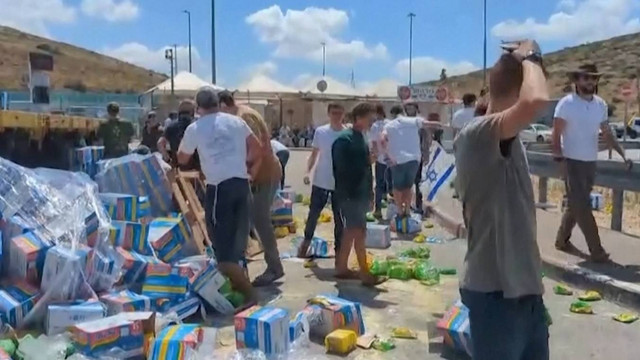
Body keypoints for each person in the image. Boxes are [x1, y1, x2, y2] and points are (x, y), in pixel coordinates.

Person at [454, 40, 549, 359]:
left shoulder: (503, 135)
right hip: (496, 296)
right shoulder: (477, 135)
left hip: (526, 295)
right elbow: (536, 100)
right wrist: (531, 57)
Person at [177, 86, 261, 305]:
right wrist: (248, 168)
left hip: (219, 188)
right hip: (242, 185)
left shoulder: (195, 128)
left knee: (221, 250)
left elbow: (183, 158)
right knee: (237, 242)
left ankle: (248, 294)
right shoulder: (236, 122)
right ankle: (238, 287)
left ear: (198, 107)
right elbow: (257, 147)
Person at [552, 63, 631, 262]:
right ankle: (597, 251)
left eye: (593, 78)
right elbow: (556, 135)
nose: (590, 81)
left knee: (576, 205)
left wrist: (622, 154)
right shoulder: (566, 104)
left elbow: (607, 133)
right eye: (585, 77)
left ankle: (561, 240)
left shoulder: (600, 105)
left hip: (590, 162)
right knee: (583, 207)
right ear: (577, 81)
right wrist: (559, 159)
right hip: (571, 161)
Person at [218, 90, 284, 286]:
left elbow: (259, 148)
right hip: (257, 175)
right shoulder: (240, 115)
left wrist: (250, 174)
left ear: (224, 105)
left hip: (264, 175)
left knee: (260, 220)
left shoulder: (243, 117)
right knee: (253, 221)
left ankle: (274, 267)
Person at [332, 103, 385, 286]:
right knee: (358, 232)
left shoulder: (360, 138)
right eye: (369, 119)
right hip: (349, 195)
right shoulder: (344, 140)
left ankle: (342, 268)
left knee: (352, 232)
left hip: (359, 195)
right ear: (358, 118)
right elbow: (342, 169)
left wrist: (369, 193)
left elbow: (365, 170)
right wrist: (366, 161)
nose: (372, 122)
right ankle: (364, 273)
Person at [298, 103, 346, 276]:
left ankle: (340, 251)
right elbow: (314, 154)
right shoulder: (321, 132)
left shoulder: (347, 133)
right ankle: (306, 241)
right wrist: (307, 172)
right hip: (321, 180)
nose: (336, 115)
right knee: (313, 214)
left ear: (343, 114)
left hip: (340, 183)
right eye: (333, 112)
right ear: (328, 114)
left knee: (339, 218)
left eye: (339, 112)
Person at [382, 102, 441, 218]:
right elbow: (429, 125)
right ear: (403, 112)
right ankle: (408, 210)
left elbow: (382, 139)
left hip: (397, 159)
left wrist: (387, 154)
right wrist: (444, 124)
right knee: (410, 186)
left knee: (397, 187)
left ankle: (399, 211)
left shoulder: (389, 125)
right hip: (414, 158)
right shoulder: (414, 121)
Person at [158, 100, 199, 170]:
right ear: (192, 111)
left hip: (178, 168)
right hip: (197, 168)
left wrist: (168, 159)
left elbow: (160, 143)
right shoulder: (197, 125)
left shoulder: (171, 126)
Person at [368, 104, 391, 219]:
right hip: (392, 159)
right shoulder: (390, 123)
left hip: (381, 159)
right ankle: (395, 211)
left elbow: (373, 143)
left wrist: (375, 155)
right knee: (393, 185)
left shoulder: (374, 126)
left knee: (379, 184)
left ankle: (378, 210)